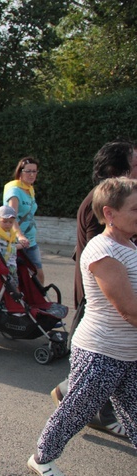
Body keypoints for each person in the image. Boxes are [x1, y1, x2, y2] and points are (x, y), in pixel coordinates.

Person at [27, 177, 137, 476]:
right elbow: (129, 309)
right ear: (110, 213)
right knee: (77, 410)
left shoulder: (129, 244)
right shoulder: (103, 250)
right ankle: (42, 457)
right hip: (102, 351)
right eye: (135, 208)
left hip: (128, 351)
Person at [51, 140, 137, 439]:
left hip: (112, 294)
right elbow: (99, 254)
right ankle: (50, 448)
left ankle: (72, 392)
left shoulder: (120, 201)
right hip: (101, 295)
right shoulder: (100, 206)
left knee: (105, 373)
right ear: (119, 170)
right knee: (99, 364)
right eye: (135, 164)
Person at [4, 157, 43, 283]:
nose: (32, 174)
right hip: (16, 242)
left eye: (34, 171)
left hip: (30, 241)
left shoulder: (29, 190)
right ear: (20, 172)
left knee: (38, 275)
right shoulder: (14, 190)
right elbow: (11, 216)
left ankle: (36, 302)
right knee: (10, 277)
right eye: (28, 171)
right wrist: (20, 235)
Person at [0, 205, 21, 289]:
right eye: (5, 221)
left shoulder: (10, 234)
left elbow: (11, 246)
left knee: (14, 285)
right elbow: (7, 247)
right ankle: (14, 301)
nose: (8, 224)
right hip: (3, 266)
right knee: (11, 288)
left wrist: (21, 245)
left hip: (12, 265)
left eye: (11, 222)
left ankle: (5, 301)